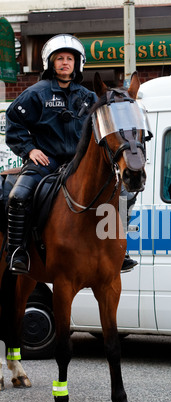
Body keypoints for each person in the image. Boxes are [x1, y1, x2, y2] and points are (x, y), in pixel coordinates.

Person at [5, 34, 137, 274]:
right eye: (60, 59)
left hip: (79, 164)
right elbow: (13, 121)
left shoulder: (87, 97)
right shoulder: (35, 94)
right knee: (18, 196)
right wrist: (30, 149)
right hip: (46, 162)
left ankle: (119, 250)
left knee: (124, 194)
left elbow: (104, 130)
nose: (65, 63)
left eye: (70, 59)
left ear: (78, 63)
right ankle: (18, 251)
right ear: (50, 63)